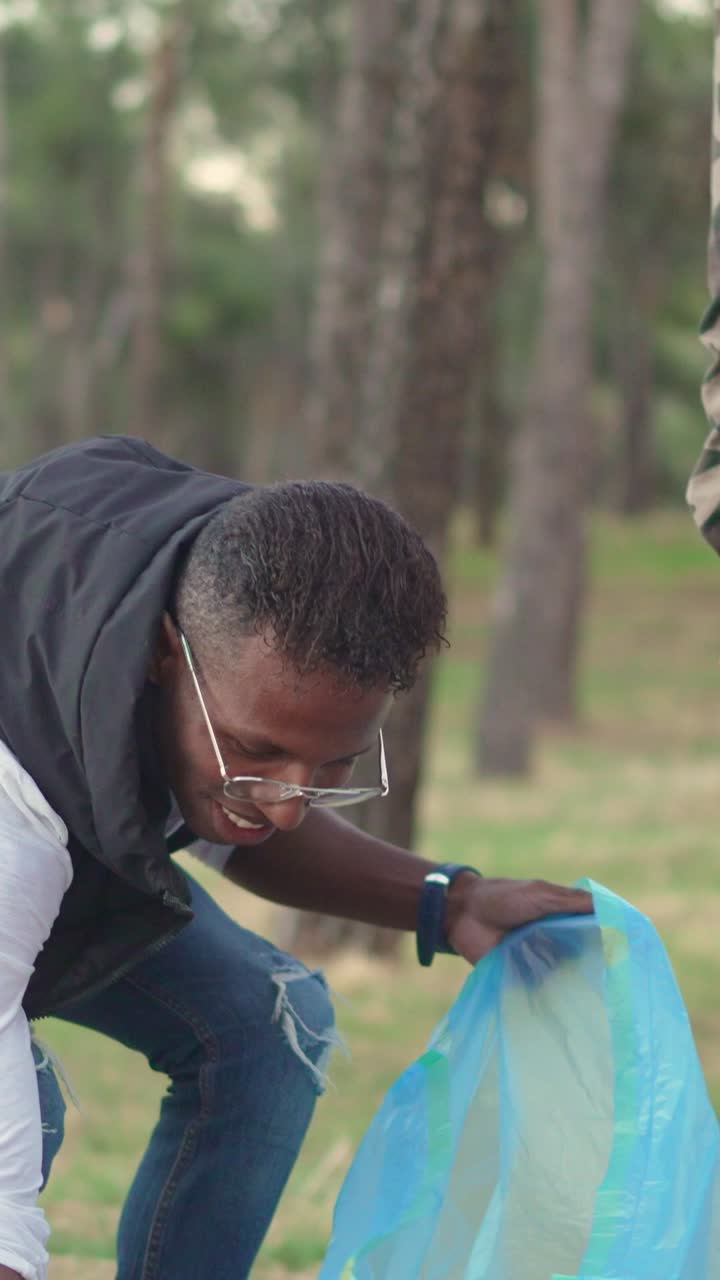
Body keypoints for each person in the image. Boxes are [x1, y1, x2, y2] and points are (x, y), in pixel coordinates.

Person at [0, 435, 591, 1280]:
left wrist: (448, 901)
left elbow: (228, 812)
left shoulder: (254, 583)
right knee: (30, 1115)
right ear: (168, 654)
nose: (284, 801)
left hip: (66, 818)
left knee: (268, 1027)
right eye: (256, 750)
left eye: (331, 764)